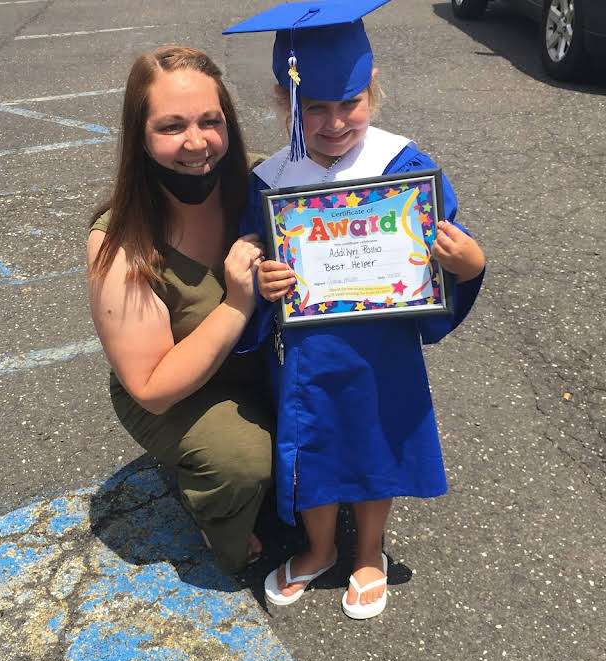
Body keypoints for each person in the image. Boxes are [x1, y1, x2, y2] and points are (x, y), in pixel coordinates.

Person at [224, 0, 486, 617]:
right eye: (314, 107)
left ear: (373, 94)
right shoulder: (270, 181)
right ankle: (318, 549)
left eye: (351, 103)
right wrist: (261, 281)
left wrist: (468, 265)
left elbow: (445, 249)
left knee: (375, 442)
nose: (335, 122)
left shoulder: (405, 167)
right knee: (309, 441)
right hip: (306, 351)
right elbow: (254, 267)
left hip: (383, 346)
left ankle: (369, 551)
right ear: (287, 107)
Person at [86, 46, 273, 574]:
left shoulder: (266, 186)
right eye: (171, 127)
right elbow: (153, 387)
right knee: (241, 462)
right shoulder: (120, 240)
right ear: (140, 139)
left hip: (261, 365)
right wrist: (238, 302)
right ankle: (214, 517)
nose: (197, 143)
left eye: (210, 121)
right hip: (177, 391)